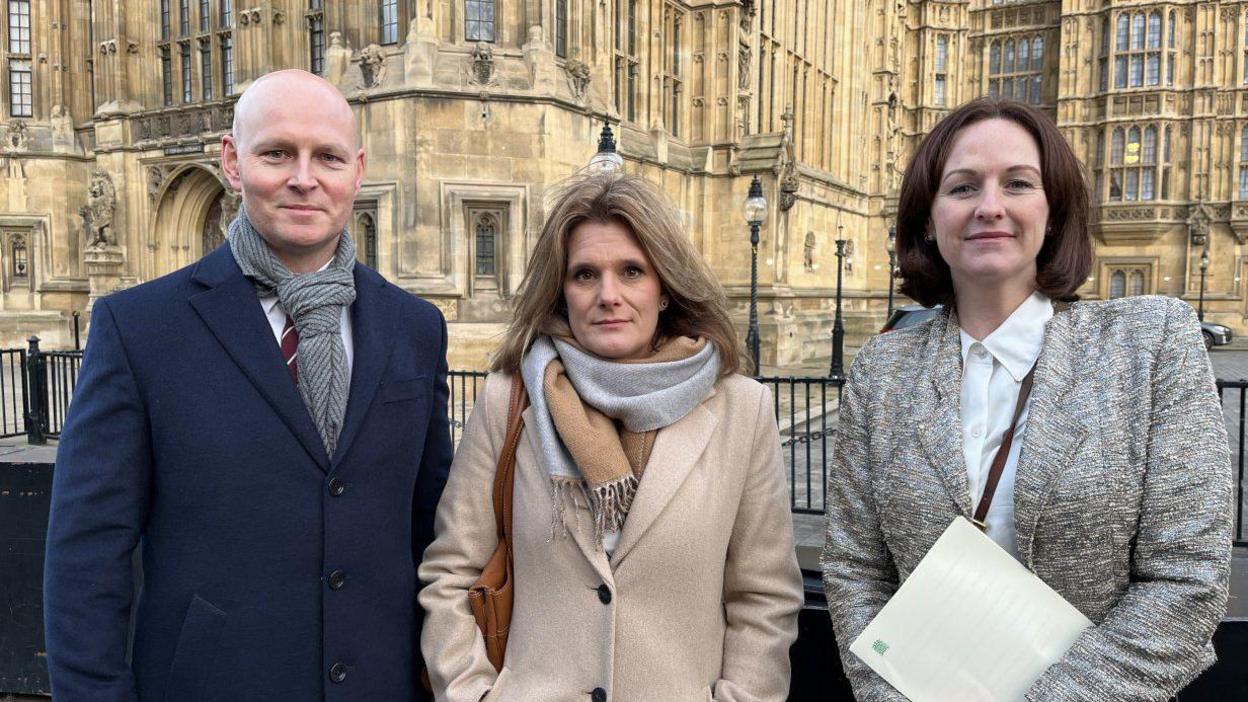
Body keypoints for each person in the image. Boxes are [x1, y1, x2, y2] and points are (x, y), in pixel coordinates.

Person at [43, 69, 452, 701]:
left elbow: (432, 531)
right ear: (233, 162)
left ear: (358, 170)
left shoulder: (415, 327)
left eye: (328, 157)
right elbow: (85, 561)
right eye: (278, 153)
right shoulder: (140, 328)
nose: (304, 178)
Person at [821, 97, 1234, 701]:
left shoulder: (1149, 343)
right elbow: (856, 568)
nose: (991, 207)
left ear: (1053, 209)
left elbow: (1188, 579)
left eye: (1018, 183)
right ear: (929, 220)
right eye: (962, 187)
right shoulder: (882, 370)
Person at [419, 173, 803, 701]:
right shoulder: (509, 398)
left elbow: (763, 598)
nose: (608, 295)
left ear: (664, 287)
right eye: (584, 275)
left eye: (631, 272)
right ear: (561, 291)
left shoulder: (742, 409)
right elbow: (450, 574)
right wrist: (472, 694)